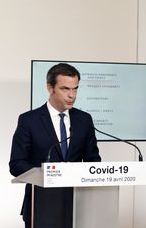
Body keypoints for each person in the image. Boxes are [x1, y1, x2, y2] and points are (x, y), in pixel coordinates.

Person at [9, 63, 101, 228]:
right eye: (65, 89)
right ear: (50, 88)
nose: (72, 95)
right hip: (40, 204)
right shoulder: (29, 120)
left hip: (77, 205)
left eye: (75, 89)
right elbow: (16, 164)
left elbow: (93, 161)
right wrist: (48, 175)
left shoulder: (84, 120)